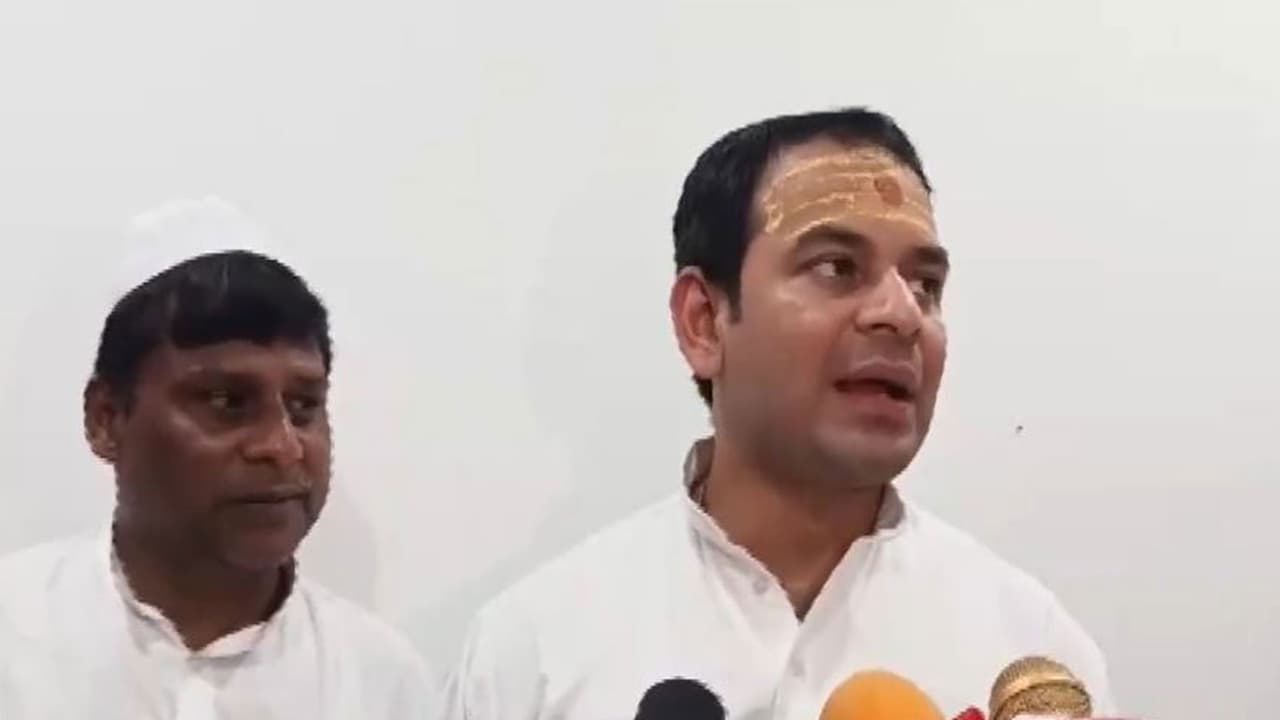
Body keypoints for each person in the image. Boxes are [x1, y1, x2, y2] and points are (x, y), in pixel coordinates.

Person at [441, 109, 1118, 720]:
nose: (902, 313)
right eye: (837, 268)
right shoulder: (533, 654)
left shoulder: (1032, 652)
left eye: (926, 285)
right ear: (704, 322)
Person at [0, 198, 436, 718]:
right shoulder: (16, 639)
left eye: (303, 406)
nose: (281, 446)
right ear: (107, 418)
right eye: (227, 402)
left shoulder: (380, 682)